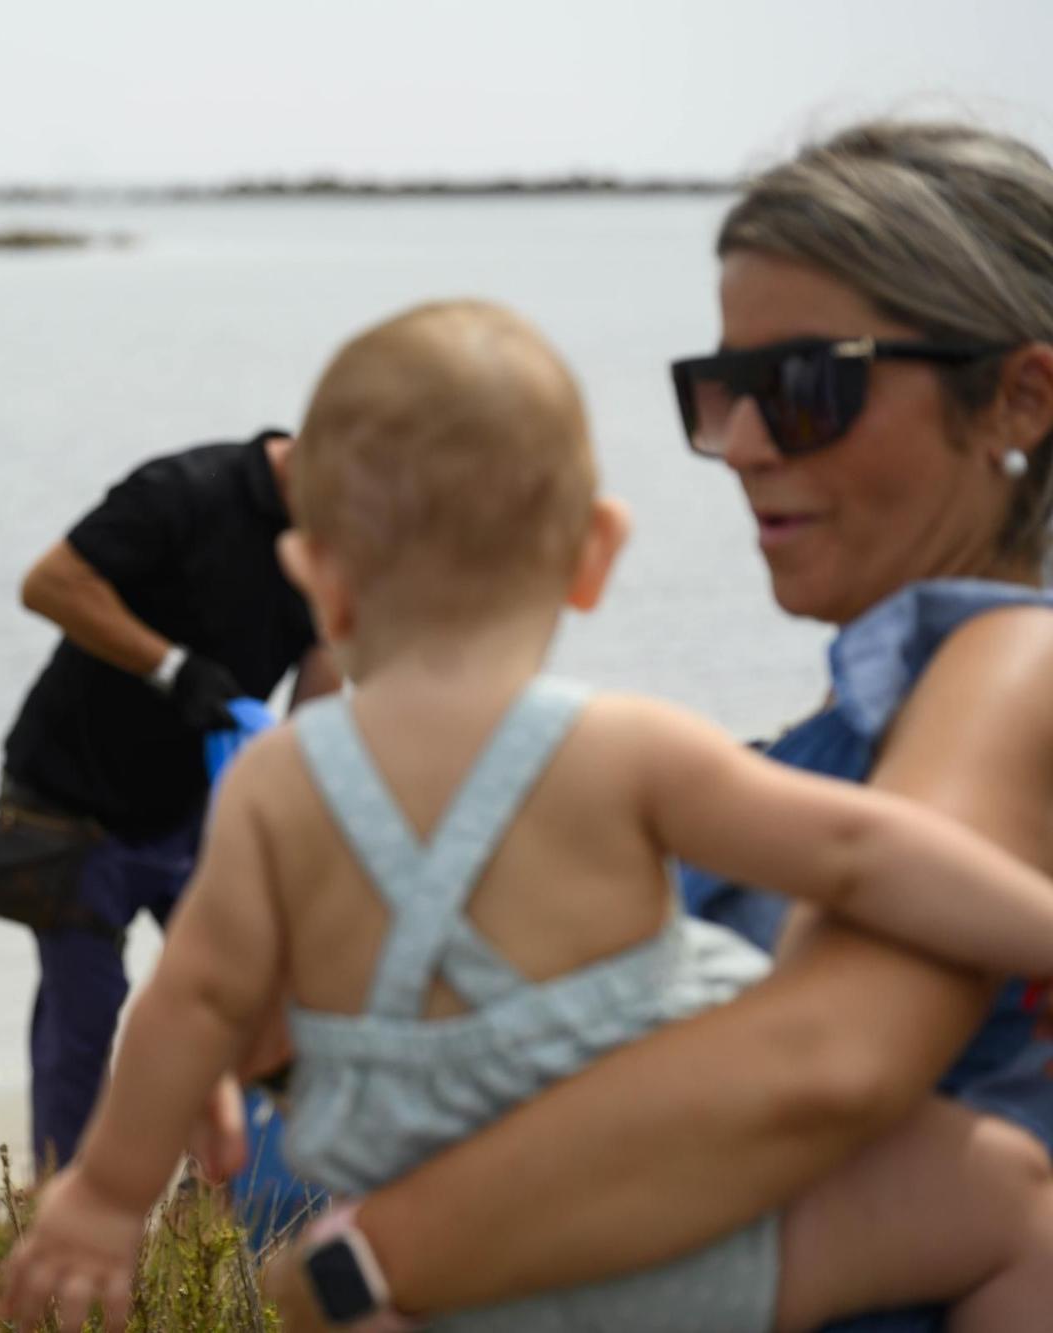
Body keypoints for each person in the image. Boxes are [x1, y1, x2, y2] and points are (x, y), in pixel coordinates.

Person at [0, 300, 1053, 1332]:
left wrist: (102, 1197)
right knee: (1009, 1202)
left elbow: (187, 1000)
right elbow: (861, 853)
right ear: (594, 554)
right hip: (670, 1236)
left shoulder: (277, 785)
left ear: (315, 576)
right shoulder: (630, 744)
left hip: (436, 1269)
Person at [246, 122, 1053, 1333]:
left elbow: (824, 1061)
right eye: (721, 392)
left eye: (803, 390)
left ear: (1018, 396)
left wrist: (354, 1270)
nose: (738, 444)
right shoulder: (835, 738)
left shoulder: (1008, 661)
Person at [0, 428, 334, 1169]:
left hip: (197, 809)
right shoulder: (185, 490)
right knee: (83, 1022)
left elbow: (322, 684)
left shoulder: (351, 534)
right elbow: (46, 582)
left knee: (258, 999)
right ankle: (60, 1217)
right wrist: (172, 667)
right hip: (69, 799)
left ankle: (210, 1231)